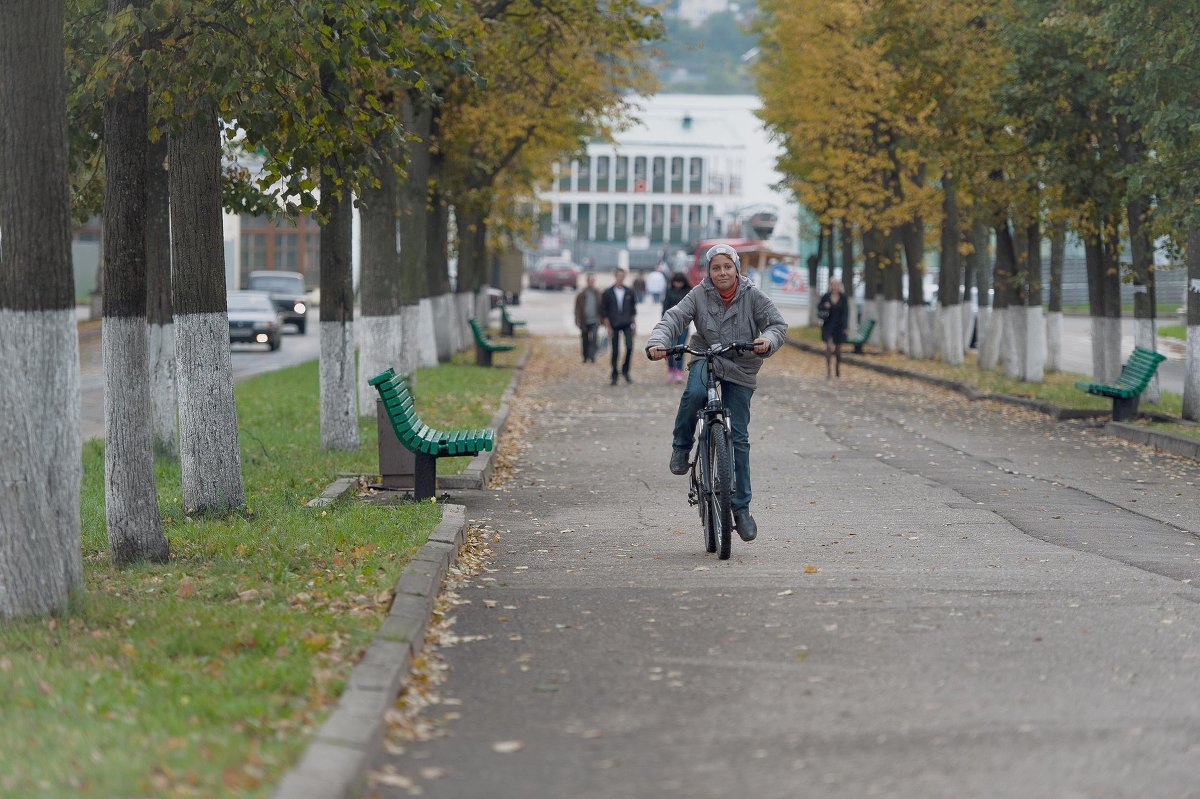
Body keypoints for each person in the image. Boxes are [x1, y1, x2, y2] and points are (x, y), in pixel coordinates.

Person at [645, 244, 787, 542]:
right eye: (716, 268)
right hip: (705, 355)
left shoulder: (753, 295)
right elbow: (673, 319)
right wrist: (658, 341)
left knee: (739, 439)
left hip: (742, 363)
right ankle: (682, 446)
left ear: (736, 268)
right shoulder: (698, 294)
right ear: (708, 272)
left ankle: (741, 509)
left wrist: (767, 340)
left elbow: (777, 324)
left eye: (727, 267)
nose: (722, 272)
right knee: (694, 393)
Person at [601, 267, 637, 385]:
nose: (621, 278)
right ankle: (614, 373)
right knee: (615, 351)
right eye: (619, 276)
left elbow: (633, 310)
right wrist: (608, 326)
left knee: (629, 347)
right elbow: (604, 311)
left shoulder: (629, 292)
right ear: (615, 276)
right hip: (614, 324)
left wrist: (634, 325)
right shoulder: (607, 292)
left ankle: (625, 371)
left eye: (623, 276)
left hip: (627, 323)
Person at [661, 271, 691, 383]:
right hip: (671, 324)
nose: (678, 285)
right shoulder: (669, 291)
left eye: (680, 282)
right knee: (670, 348)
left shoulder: (688, 292)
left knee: (680, 348)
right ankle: (671, 370)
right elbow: (665, 306)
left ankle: (679, 371)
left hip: (683, 325)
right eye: (676, 282)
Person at [817, 276, 850, 379]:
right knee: (828, 347)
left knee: (838, 350)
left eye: (837, 285)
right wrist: (824, 306)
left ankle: (837, 368)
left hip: (839, 326)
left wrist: (845, 327)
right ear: (830, 285)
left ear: (840, 286)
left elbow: (846, 313)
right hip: (828, 325)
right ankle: (828, 370)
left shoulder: (843, 297)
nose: (835, 286)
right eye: (833, 284)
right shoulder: (826, 296)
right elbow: (819, 307)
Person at [574, 273, 602, 363]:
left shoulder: (598, 293)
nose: (591, 283)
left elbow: (602, 307)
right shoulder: (581, 294)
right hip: (584, 321)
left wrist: (602, 319)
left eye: (593, 281)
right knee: (585, 339)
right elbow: (577, 309)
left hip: (595, 320)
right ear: (587, 281)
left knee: (594, 338)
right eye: (590, 281)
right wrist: (577, 320)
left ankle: (592, 356)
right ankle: (585, 356)